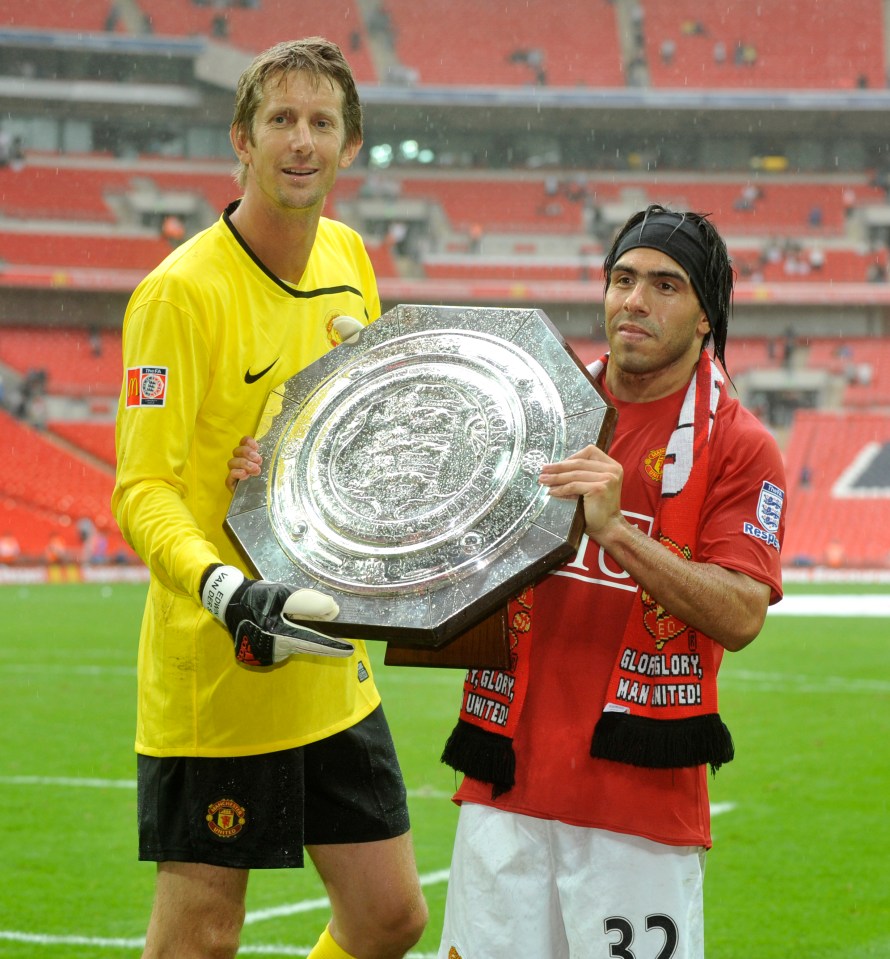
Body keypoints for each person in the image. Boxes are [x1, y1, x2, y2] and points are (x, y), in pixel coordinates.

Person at [111, 38, 427, 959]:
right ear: (240, 142)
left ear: (349, 145)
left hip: (326, 655)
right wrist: (226, 590)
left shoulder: (350, 257)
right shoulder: (178, 293)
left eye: (320, 122)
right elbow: (144, 488)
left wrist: (294, 459)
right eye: (280, 120)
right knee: (201, 937)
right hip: (219, 661)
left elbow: (353, 428)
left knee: (388, 916)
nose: (301, 141)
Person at [437, 205, 787, 959]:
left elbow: (742, 612)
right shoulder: (537, 410)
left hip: (638, 812)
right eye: (623, 279)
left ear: (704, 317)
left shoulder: (742, 446)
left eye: (665, 285)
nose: (635, 299)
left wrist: (619, 531)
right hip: (506, 792)